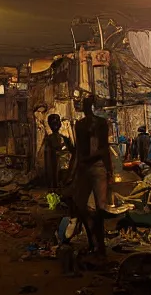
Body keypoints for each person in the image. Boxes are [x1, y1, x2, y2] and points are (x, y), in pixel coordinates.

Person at [71, 95, 111, 257]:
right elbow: (101, 149)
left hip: (92, 166)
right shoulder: (89, 124)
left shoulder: (94, 124)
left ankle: (98, 246)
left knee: (92, 209)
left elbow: (98, 149)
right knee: (86, 208)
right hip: (93, 167)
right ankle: (96, 244)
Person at [41, 114, 71, 191]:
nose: (56, 124)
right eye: (53, 122)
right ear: (49, 124)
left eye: (57, 121)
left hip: (64, 170)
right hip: (53, 168)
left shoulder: (64, 139)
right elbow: (46, 158)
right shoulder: (48, 140)